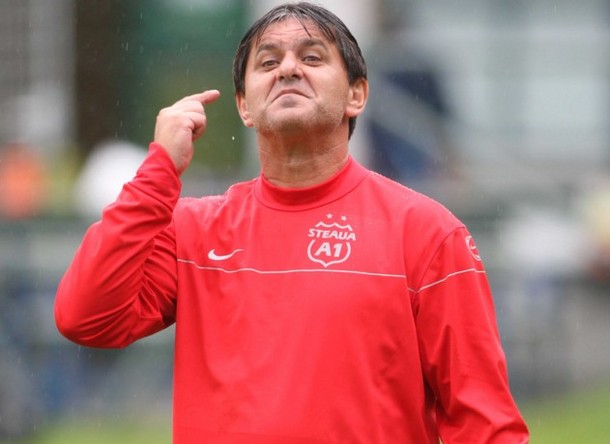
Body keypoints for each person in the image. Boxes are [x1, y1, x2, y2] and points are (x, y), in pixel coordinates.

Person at [55, 2, 529, 443]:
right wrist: (159, 170)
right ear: (244, 106)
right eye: (267, 62)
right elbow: (86, 317)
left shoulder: (427, 233)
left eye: (312, 57)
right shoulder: (194, 231)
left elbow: (487, 425)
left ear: (357, 95)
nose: (287, 69)